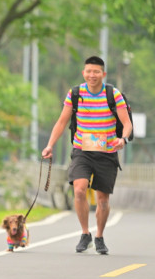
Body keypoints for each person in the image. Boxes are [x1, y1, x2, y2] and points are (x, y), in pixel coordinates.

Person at [41, 56, 132, 255]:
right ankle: (85, 233)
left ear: (103, 74)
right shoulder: (75, 93)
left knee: (102, 200)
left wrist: (123, 139)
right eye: (89, 71)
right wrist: (49, 146)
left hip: (107, 152)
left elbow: (127, 123)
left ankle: (99, 236)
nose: (92, 75)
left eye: (96, 71)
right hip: (82, 151)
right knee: (80, 190)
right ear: (84, 73)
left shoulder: (113, 94)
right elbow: (61, 122)